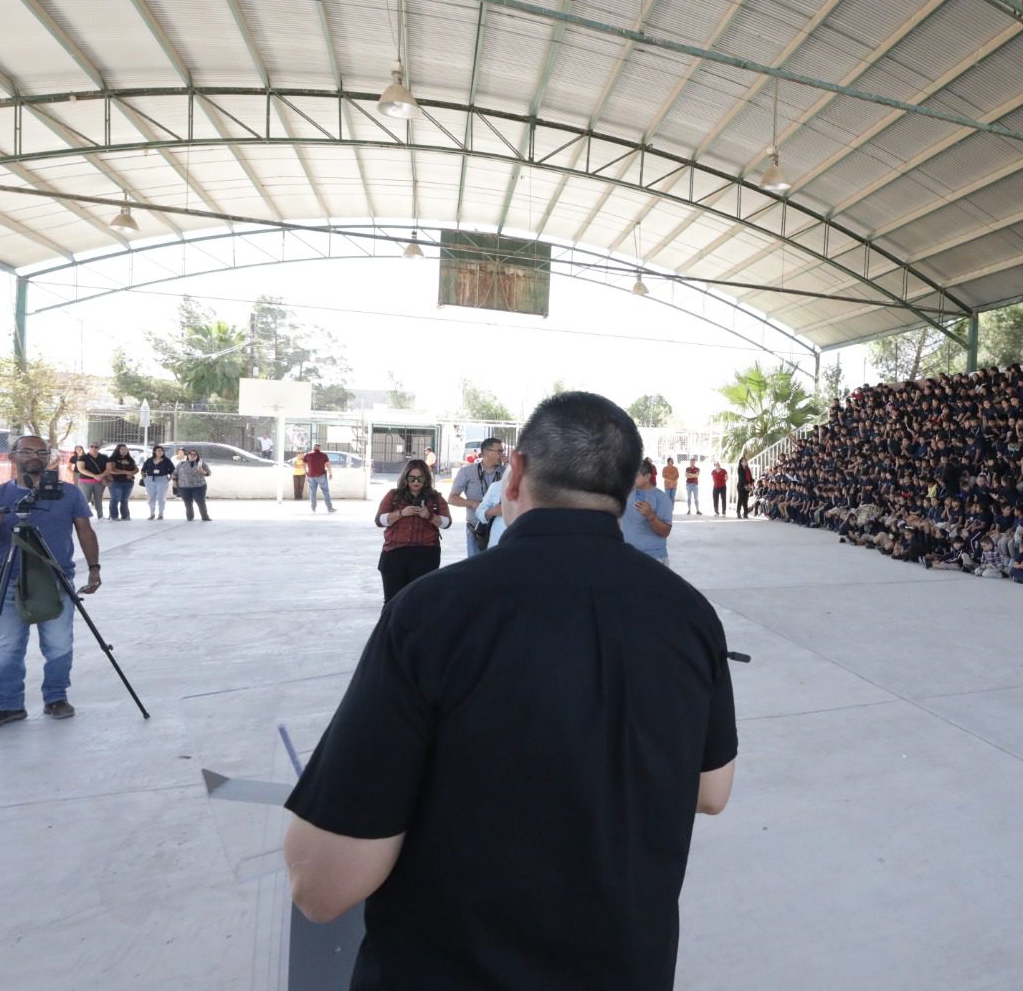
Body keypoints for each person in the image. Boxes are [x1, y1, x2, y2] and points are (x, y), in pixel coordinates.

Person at [282, 391, 737, 988]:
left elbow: (324, 884)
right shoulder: (689, 615)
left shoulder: (435, 613)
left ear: (516, 471)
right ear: (627, 492)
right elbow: (711, 790)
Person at [0, 436, 101, 729]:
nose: (34, 456)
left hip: (56, 579)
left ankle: (56, 698)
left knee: (59, 645)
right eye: (26, 451)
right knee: (7, 648)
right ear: (12, 456)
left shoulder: (69, 493)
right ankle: (8, 705)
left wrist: (94, 568)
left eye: (42, 451)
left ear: (51, 458)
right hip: (8, 580)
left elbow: (85, 531)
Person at [373, 460, 452, 603]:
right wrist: (401, 513)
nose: (416, 482)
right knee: (392, 601)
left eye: (420, 478)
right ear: (405, 478)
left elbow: (446, 523)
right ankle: (392, 626)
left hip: (426, 554)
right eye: (412, 478)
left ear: (426, 479)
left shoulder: (435, 497)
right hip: (394, 553)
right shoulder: (393, 495)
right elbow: (379, 520)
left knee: (421, 601)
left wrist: (429, 516)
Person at [450, 438, 507, 556]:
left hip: (499, 530)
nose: (502, 454)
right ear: (486, 452)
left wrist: (513, 466)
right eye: (499, 451)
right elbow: (452, 498)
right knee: (475, 570)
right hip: (476, 530)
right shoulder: (467, 471)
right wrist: (472, 503)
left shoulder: (506, 472)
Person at [622, 459, 675, 565]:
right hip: (628, 555)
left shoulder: (661, 498)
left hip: (653, 558)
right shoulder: (626, 494)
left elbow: (665, 532)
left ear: (647, 477)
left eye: (636, 475)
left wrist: (650, 515)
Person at [174, 449, 211, 521]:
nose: (192, 455)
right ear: (188, 455)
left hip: (199, 487)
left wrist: (203, 471)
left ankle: (205, 517)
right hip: (184, 487)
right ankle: (190, 517)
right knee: (187, 503)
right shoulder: (181, 464)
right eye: (191, 454)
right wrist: (174, 483)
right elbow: (175, 473)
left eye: (195, 454)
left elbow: (209, 473)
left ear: (197, 456)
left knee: (200, 502)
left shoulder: (201, 463)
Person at [105, 444, 138, 521]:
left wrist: (132, 473)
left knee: (125, 499)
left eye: (125, 449)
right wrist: (126, 472)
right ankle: (113, 516)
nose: (124, 451)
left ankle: (125, 515)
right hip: (116, 482)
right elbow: (111, 470)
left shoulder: (130, 459)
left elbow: (136, 469)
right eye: (122, 449)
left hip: (129, 482)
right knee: (115, 499)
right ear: (118, 450)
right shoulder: (112, 459)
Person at [141, 445, 174, 520]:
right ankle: (152, 514)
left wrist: (169, 479)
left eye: (162, 451)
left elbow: (173, 470)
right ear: (154, 451)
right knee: (151, 498)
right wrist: (144, 479)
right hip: (150, 480)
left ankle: (160, 514)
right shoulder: (149, 460)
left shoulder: (166, 460)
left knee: (161, 498)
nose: (160, 452)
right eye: (158, 450)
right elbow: (143, 470)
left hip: (162, 479)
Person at [301, 444, 336, 514]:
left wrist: (306, 472)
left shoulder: (308, 455)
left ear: (313, 448)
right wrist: (330, 473)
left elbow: (303, 464)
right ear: (319, 448)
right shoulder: (323, 455)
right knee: (325, 492)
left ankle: (313, 508)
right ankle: (329, 508)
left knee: (312, 493)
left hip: (311, 476)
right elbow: (328, 465)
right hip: (321, 476)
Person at [75, 442, 106, 516]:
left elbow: (109, 468)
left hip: (99, 482)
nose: (94, 448)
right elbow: (81, 469)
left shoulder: (104, 457)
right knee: (85, 499)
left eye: (96, 447)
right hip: (85, 482)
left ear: (99, 448)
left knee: (98, 499)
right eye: (91, 446)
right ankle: (82, 516)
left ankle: (100, 516)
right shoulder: (83, 457)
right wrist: (94, 475)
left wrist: (101, 475)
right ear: (88, 448)